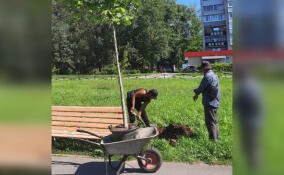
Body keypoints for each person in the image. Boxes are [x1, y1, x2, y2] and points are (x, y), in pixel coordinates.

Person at [193, 61, 220, 142]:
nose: (202, 71)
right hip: (215, 101)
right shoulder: (215, 75)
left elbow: (201, 88)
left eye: (202, 69)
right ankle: (217, 139)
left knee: (210, 123)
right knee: (215, 122)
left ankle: (213, 141)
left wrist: (196, 93)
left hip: (209, 102)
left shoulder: (207, 76)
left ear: (204, 68)